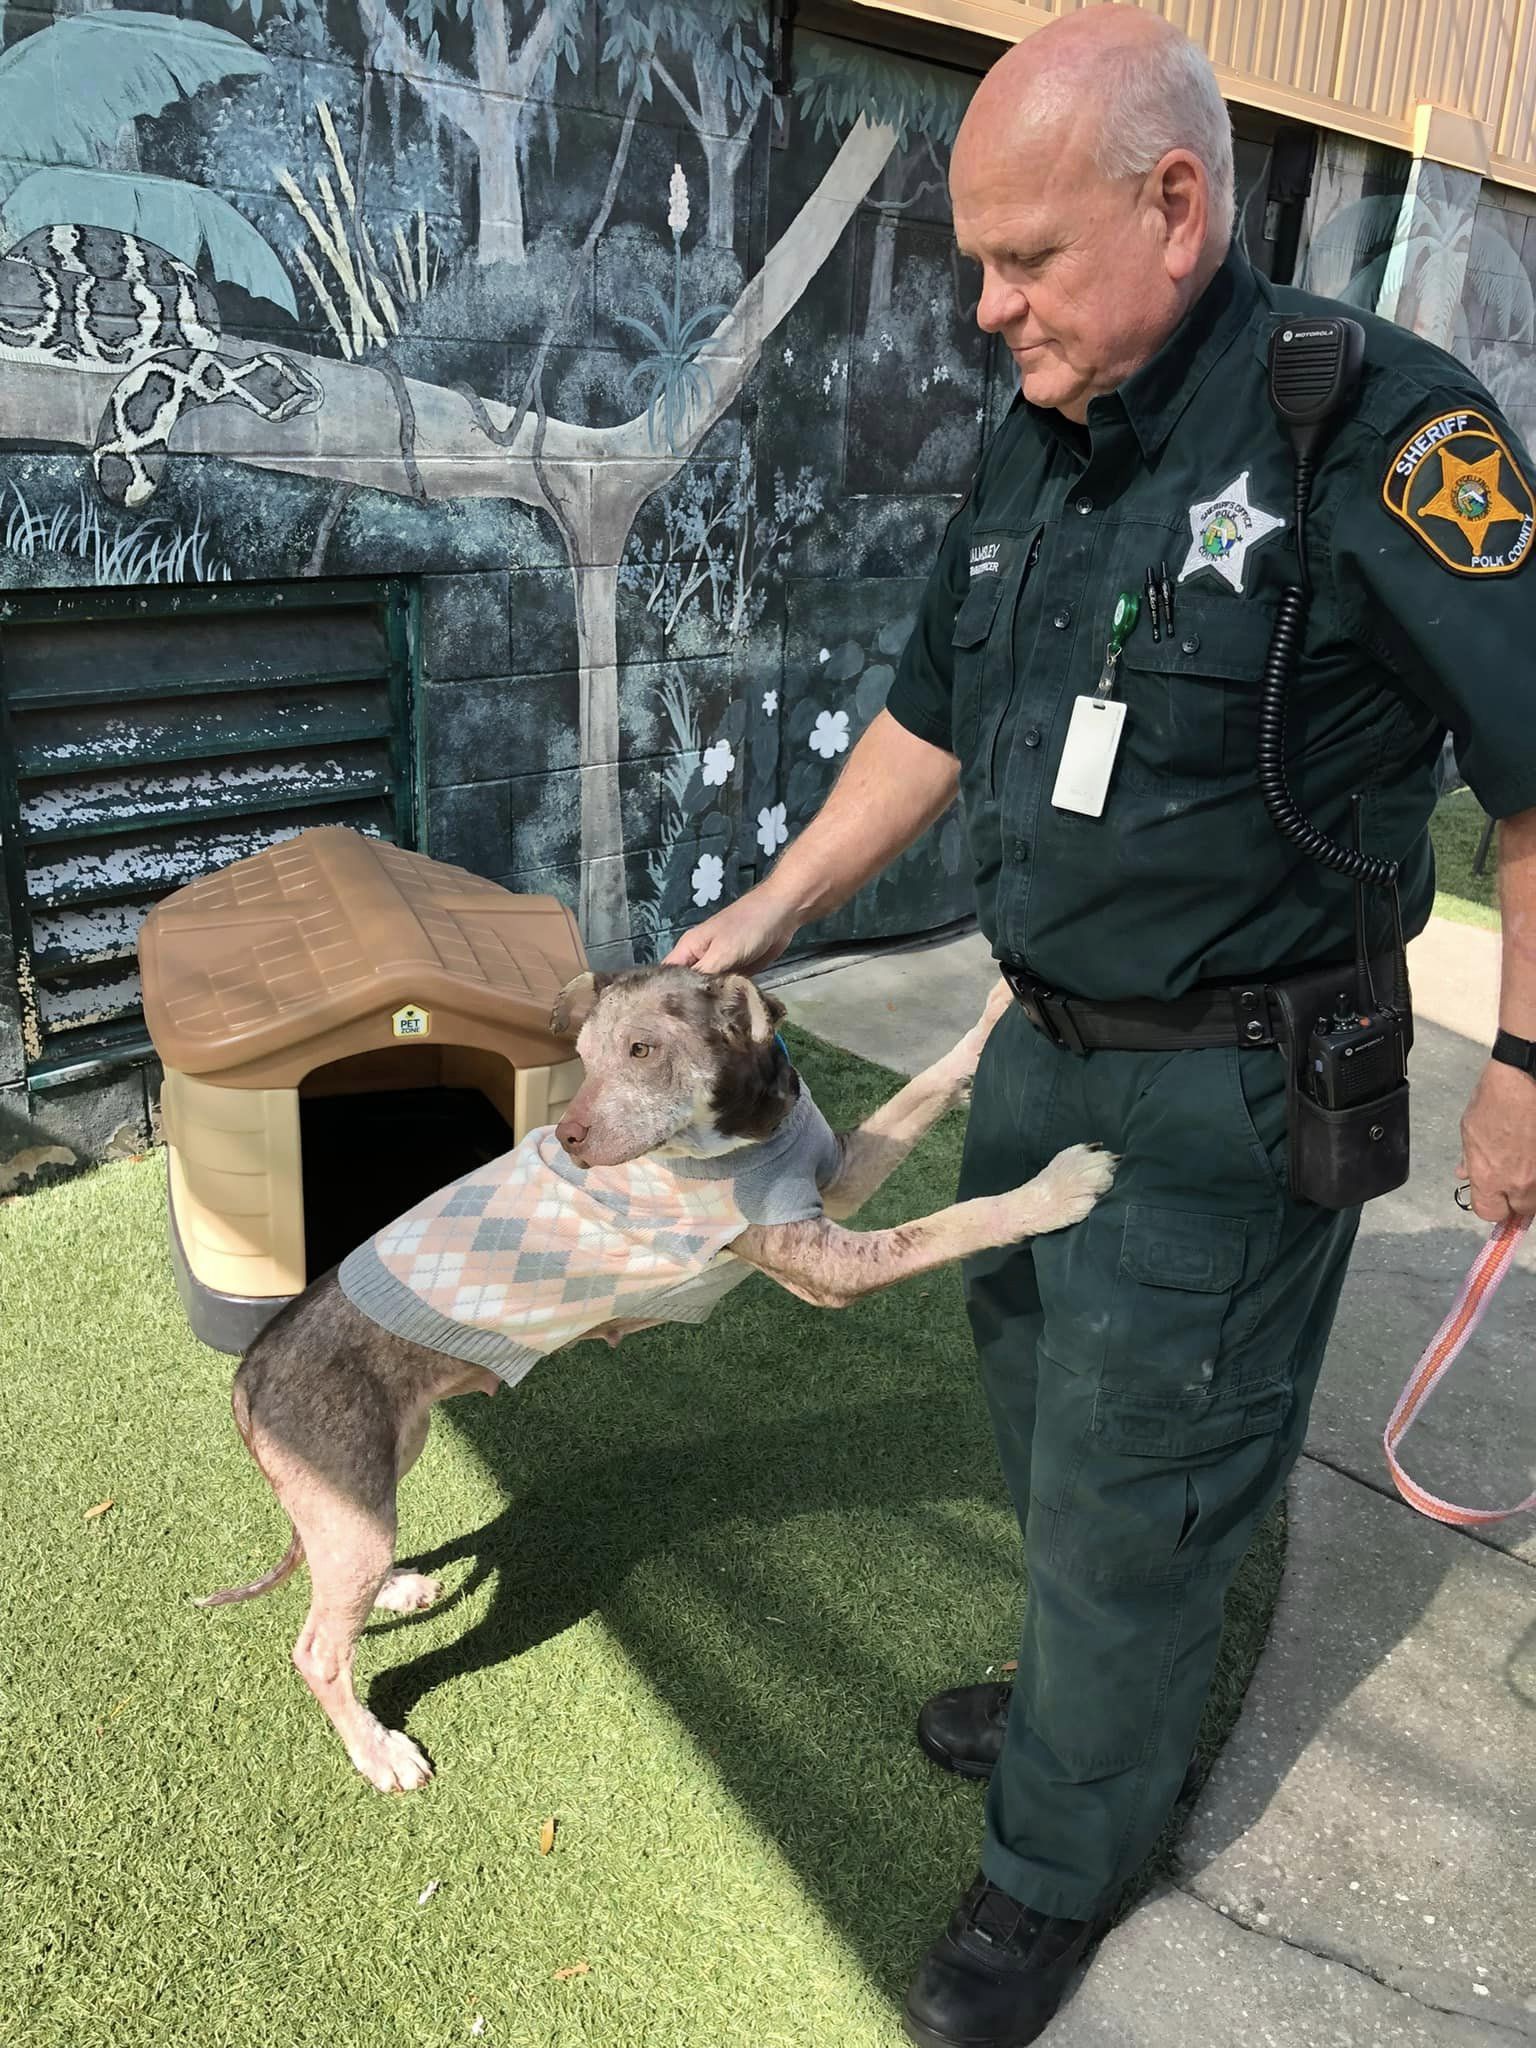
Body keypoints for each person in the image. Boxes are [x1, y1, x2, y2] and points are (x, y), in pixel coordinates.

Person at [669, 8, 1536, 2044]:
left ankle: (1058, 1868)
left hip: (1234, 1090)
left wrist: (1528, 1065)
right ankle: (1087, 1714)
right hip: (1042, 1041)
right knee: (1052, 1429)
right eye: (979, 267)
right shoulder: (1047, 431)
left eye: (1022, 262)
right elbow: (933, 711)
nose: (986, 311)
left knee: (1146, 1485)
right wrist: (770, 915)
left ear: (1174, 204)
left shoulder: (1385, 429)